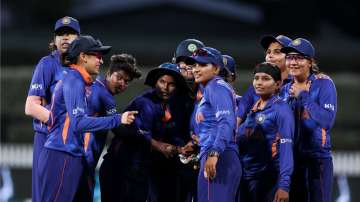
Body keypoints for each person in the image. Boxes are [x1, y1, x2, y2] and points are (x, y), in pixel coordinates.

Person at [37, 35, 137, 202]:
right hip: (62, 153)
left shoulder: (81, 83)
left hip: (70, 154)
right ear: (83, 57)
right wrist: (119, 119)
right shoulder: (74, 81)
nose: (101, 61)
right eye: (97, 56)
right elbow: (78, 123)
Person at [99, 63, 189, 202]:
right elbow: (142, 136)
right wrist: (163, 147)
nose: (165, 88)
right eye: (162, 82)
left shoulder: (170, 107)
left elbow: (172, 135)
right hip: (120, 170)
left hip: (139, 172)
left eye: (171, 84)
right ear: (155, 83)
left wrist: (182, 147)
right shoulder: (145, 103)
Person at [24, 16, 80, 202]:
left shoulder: (82, 67)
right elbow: (31, 106)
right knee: (45, 196)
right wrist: (61, 124)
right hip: (47, 138)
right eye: (60, 34)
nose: (65, 38)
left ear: (78, 38)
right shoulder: (47, 64)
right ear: (54, 40)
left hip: (73, 143)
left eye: (70, 33)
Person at [281, 38, 337, 202]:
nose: (293, 62)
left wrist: (303, 95)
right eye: (290, 57)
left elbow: (327, 121)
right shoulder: (285, 90)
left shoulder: (324, 84)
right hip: (292, 161)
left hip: (317, 160)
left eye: (299, 57)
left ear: (310, 62)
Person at [185, 47, 241, 202]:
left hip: (219, 157)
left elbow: (226, 121)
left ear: (216, 68)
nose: (196, 69)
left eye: (203, 65)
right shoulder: (210, 88)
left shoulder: (216, 86)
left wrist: (214, 152)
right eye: (195, 65)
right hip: (217, 155)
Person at [85, 53, 142, 197]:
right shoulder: (105, 96)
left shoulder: (93, 87)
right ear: (109, 73)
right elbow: (118, 129)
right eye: (119, 77)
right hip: (84, 159)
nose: (122, 83)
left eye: (127, 81)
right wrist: (145, 136)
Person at [237, 62, 294, 202]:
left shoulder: (282, 110)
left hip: (268, 180)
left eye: (266, 78)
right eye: (256, 78)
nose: (259, 82)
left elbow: (287, 149)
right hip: (245, 179)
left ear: (278, 84)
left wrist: (284, 186)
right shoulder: (252, 111)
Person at [238, 35, 292, 125]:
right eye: (268, 52)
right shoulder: (256, 87)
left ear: (290, 57)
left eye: (277, 52)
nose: (270, 56)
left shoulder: (297, 84)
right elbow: (238, 118)